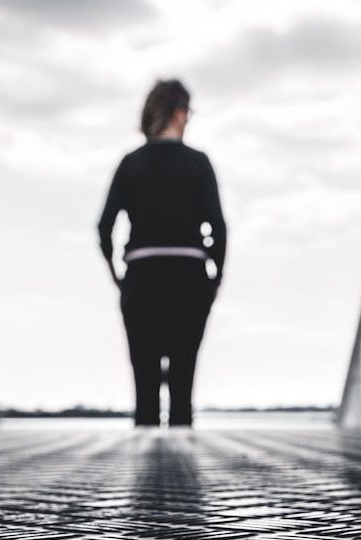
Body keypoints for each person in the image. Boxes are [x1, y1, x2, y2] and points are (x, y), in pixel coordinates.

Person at [97, 79, 227, 427]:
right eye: (188, 111)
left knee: (145, 383)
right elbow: (218, 226)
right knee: (183, 383)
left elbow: (103, 228)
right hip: (190, 277)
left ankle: (146, 469)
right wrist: (215, 276)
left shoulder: (130, 164)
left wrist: (119, 277)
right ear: (178, 112)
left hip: (142, 277)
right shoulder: (199, 163)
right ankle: (183, 472)